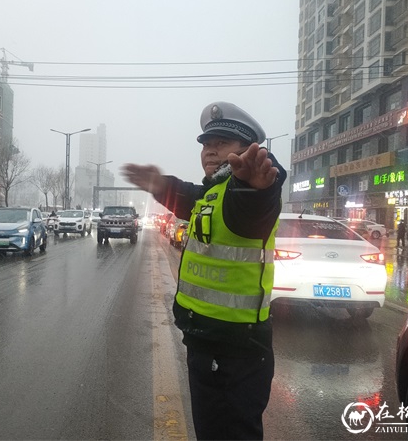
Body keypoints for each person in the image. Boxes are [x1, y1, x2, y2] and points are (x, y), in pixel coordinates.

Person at [122, 101, 287, 440]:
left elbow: (253, 206)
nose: (210, 151)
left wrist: (256, 186)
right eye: (207, 144)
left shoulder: (245, 192)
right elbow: (188, 195)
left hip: (238, 353)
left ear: (247, 151)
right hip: (205, 344)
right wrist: (158, 183)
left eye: (222, 144)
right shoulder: (213, 192)